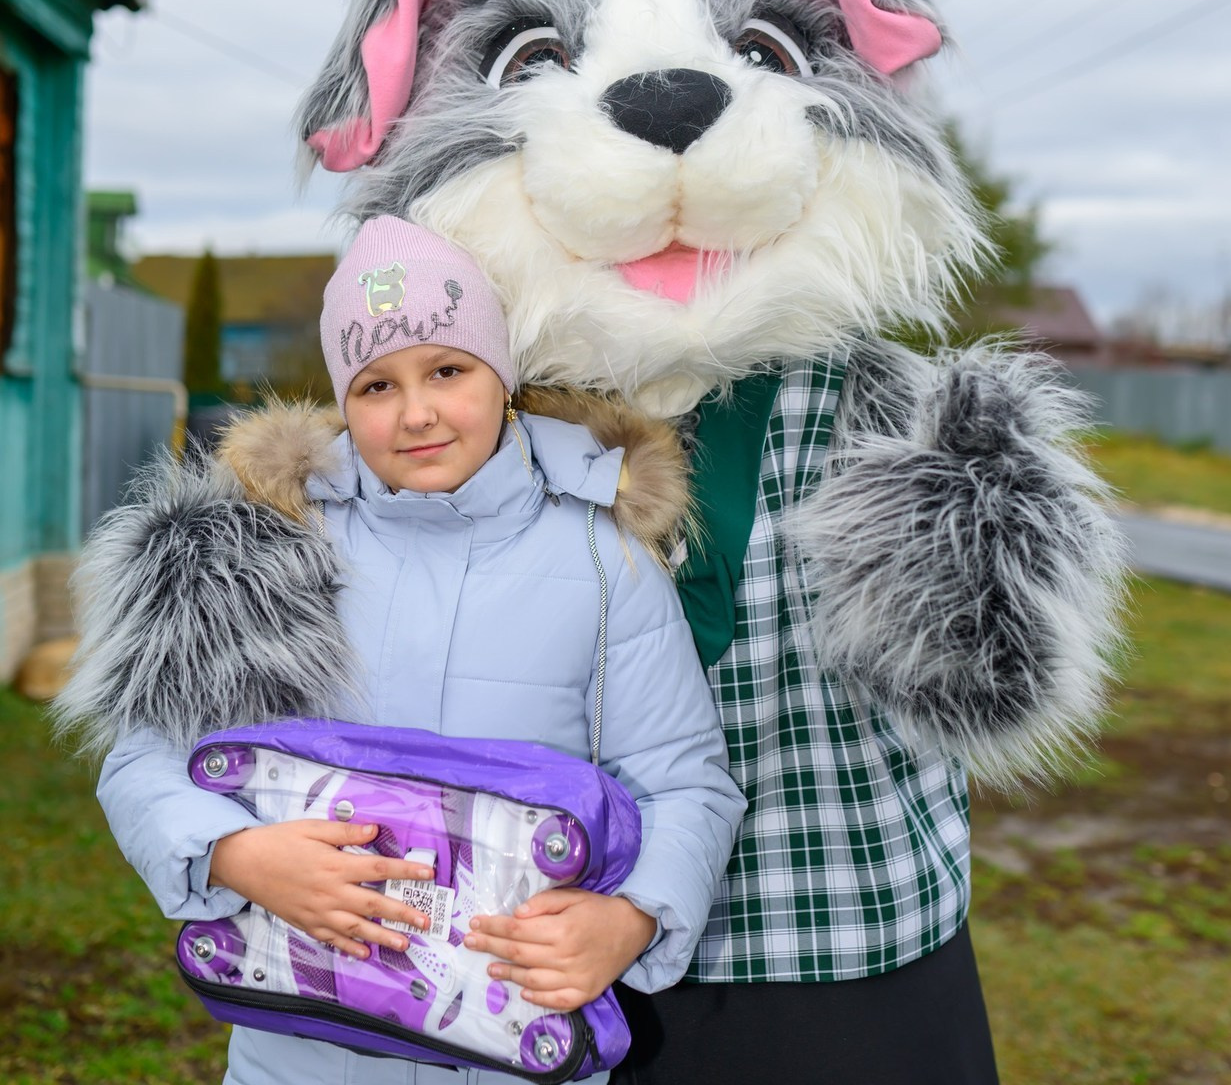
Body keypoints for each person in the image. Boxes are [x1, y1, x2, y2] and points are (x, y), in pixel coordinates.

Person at [53, 214, 746, 1085]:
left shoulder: (603, 563)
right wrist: (234, 853)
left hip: (509, 1045)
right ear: (342, 398)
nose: (416, 413)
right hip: (298, 1056)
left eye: (448, 371)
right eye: (376, 385)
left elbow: (687, 782)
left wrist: (634, 919)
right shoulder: (264, 549)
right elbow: (141, 759)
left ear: (500, 374)